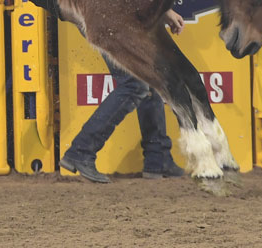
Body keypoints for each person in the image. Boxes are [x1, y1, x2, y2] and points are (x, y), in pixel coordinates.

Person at [60, 10, 187, 183]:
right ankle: (81, 151)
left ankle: (157, 158)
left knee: (148, 76)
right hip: (101, 11)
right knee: (135, 82)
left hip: (105, 10)